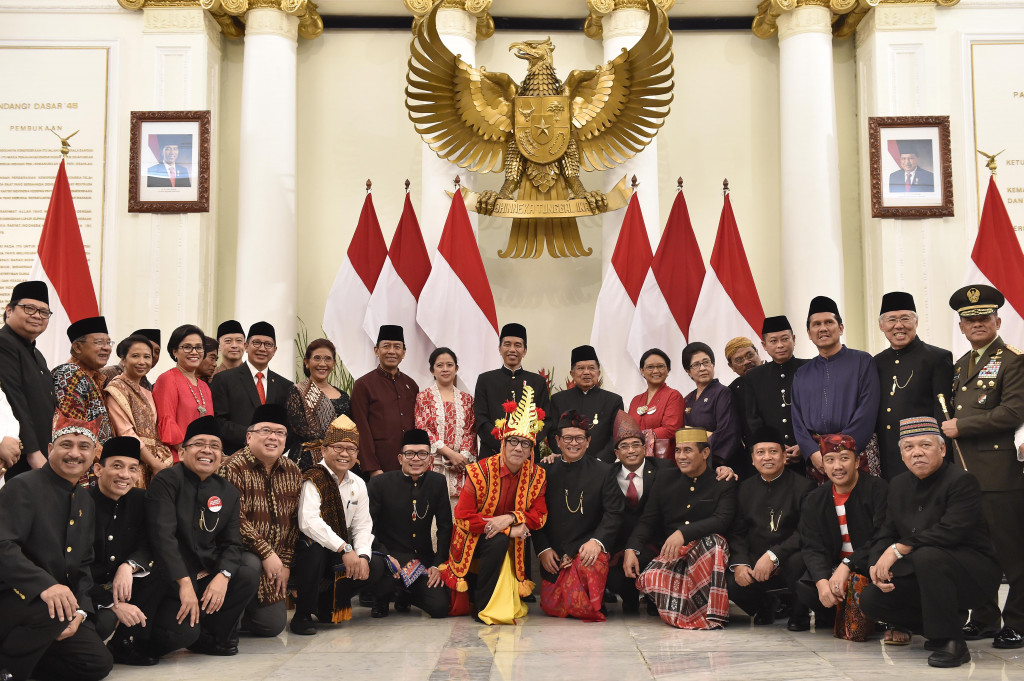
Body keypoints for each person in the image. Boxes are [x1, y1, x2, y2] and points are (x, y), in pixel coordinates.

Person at [860, 417, 1002, 667]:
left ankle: (952, 643)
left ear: (942, 449)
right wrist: (875, 564)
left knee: (928, 554)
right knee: (871, 600)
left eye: (925, 445)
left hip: (971, 573)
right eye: (909, 447)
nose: (917, 453)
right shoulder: (898, 484)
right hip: (924, 573)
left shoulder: (961, 480)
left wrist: (899, 548)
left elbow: (951, 532)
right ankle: (943, 624)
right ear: (902, 454)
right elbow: (886, 531)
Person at [0, 415, 114, 681]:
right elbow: (3, 545)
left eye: (83, 446)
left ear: (93, 454)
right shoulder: (22, 487)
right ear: (51, 450)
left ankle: (32, 655)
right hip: (14, 597)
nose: (74, 453)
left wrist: (82, 610)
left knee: (96, 664)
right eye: (66, 445)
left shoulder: (86, 499)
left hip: (55, 605)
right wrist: (44, 586)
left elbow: (84, 563)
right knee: (51, 611)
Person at [943, 284, 1024, 649]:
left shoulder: (1013, 359)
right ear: (961, 326)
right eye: (969, 319)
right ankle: (987, 617)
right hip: (965, 474)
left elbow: (1013, 411)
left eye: (983, 318)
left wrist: (964, 426)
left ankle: (1018, 623)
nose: (977, 324)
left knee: (1012, 555)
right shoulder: (962, 364)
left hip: (999, 474)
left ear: (997, 320)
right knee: (978, 550)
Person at [145, 415, 259, 657]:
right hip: (170, 579)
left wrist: (223, 576)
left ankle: (212, 637)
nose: (207, 450)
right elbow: (162, 537)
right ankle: (185, 633)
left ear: (221, 455)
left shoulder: (227, 491)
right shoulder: (167, 480)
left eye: (215, 446)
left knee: (246, 574)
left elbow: (232, 543)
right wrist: (184, 582)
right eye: (198, 444)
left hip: (204, 575)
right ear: (183, 451)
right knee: (181, 635)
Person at [442, 384, 547, 625]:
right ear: (503, 443)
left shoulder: (538, 475)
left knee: (501, 539)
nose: (519, 448)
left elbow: (540, 516)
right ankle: (483, 605)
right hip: (473, 539)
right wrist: (509, 529)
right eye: (513, 442)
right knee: (500, 538)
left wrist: (510, 518)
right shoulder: (479, 471)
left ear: (532, 449)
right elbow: (463, 517)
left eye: (525, 444)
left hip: (508, 539)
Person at [624, 427, 738, 630]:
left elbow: (721, 520)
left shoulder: (721, 482)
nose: (681, 456)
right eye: (678, 451)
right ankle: (684, 611)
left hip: (707, 555)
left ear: (705, 453)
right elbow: (648, 520)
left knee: (714, 543)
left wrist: (683, 533)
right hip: (673, 553)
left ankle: (706, 614)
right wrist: (631, 548)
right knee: (649, 577)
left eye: (688, 451)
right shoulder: (665, 478)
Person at [291, 415, 390, 635]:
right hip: (314, 550)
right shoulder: (313, 478)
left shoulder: (358, 483)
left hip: (340, 550)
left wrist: (362, 556)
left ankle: (327, 605)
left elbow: (363, 526)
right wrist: (344, 548)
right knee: (312, 549)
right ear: (324, 450)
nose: (345, 454)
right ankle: (303, 613)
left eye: (351, 449)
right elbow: (308, 522)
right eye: (338, 447)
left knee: (374, 565)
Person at [795, 434, 888, 641]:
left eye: (844, 458)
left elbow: (881, 537)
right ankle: (846, 615)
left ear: (857, 462)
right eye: (830, 460)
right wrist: (821, 581)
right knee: (806, 586)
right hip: (835, 568)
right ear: (823, 466)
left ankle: (875, 616)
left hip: (868, 564)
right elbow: (812, 545)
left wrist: (849, 565)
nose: (837, 466)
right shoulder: (815, 498)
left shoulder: (878, 489)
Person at [220, 404, 302, 638]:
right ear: (249, 436)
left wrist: (285, 562)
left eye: (280, 433)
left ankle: (243, 614)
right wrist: (266, 553)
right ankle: (229, 612)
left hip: (274, 562)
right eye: (265, 431)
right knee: (250, 564)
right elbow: (234, 519)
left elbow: (294, 522)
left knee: (272, 627)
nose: (273, 437)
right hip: (239, 557)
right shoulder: (232, 468)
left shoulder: (293, 470)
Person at [535, 410, 624, 622]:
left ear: (588, 441)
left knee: (583, 602)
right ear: (557, 440)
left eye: (579, 438)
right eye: (567, 438)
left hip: (587, 548)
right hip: (554, 553)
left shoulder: (604, 471)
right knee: (552, 607)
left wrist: (597, 541)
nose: (573, 443)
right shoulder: (544, 471)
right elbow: (533, 514)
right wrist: (543, 549)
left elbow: (614, 512)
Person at [726, 426, 813, 629]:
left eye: (773, 452)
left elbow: (805, 531)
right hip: (756, 561)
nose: (767, 457)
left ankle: (799, 614)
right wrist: (740, 563)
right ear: (753, 459)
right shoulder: (744, 489)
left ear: (784, 457)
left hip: (788, 558)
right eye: (760, 452)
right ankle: (764, 605)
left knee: (801, 560)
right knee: (731, 582)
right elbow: (737, 533)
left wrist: (774, 556)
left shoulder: (804, 487)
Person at [87, 437, 160, 667]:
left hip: (126, 582)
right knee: (105, 621)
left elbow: (150, 543)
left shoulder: (141, 499)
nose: (125, 475)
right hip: (90, 591)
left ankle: (125, 642)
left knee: (162, 568)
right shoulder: (81, 502)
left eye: (132, 469)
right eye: (117, 466)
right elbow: (72, 566)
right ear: (98, 469)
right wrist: (111, 602)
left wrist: (129, 565)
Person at [367, 429, 452, 619]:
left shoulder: (437, 482)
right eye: (410, 454)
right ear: (400, 458)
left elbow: (445, 527)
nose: (416, 459)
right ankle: (383, 596)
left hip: (421, 561)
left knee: (440, 607)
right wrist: (385, 556)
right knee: (379, 574)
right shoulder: (379, 484)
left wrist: (438, 564)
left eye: (422, 454)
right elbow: (368, 528)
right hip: (389, 561)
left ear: (429, 459)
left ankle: (406, 592)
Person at [792, 296, 880, 479]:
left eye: (828, 322)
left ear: (840, 328)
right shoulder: (802, 373)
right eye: (816, 324)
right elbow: (797, 420)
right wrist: (812, 453)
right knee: (823, 506)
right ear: (809, 333)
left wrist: (838, 452)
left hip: (856, 451)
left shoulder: (862, 361)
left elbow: (867, 410)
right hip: (817, 458)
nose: (822, 328)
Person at [873, 292, 953, 480]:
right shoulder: (877, 362)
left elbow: (943, 412)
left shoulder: (937, 358)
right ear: (881, 325)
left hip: (923, 458)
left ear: (916, 322)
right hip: (887, 456)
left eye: (905, 319)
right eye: (891, 319)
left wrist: (942, 456)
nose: (899, 325)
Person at [604, 412, 672, 614]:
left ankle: (654, 597)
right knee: (614, 577)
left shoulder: (665, 470)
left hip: (655, 544)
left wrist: (724, 470)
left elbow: (697, 472)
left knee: (647, 561)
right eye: (624, 446)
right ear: (616, 453)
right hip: (619, 546)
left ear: (645, 448)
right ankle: (629, 598)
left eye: (636, 445)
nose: (631, 450)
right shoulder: (606, 474)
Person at [0, 281, 56, 480]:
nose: (37, 315)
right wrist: (32, 452)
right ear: (9, 310)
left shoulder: (36, 354)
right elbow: (13, 397)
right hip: (16, 454)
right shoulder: (4, 343)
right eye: (29, 308)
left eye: (43, 312)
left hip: (40, 452)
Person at [211, 321, 293, 457]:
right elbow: (219, 422)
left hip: (272, 460)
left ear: (274, 350)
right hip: (234, 457)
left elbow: (290, 428)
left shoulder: (285, 385)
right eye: (256, 343)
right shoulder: (224, 379)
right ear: (246, 346)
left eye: (268, 344)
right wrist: (255, 438)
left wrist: (272, 450)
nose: (262, 348)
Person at [741, 316, 809, 473]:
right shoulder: (754, 376)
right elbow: (753, 419)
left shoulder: (809, 368)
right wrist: (774, 448)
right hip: (772, 459)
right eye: (773, 341)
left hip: (808, 455)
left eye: (785, 339)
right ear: (764, 345)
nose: (780, 345)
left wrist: (805, 445)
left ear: (794, 339)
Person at [104, 334, 173, 487]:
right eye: (135, 356)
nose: (142, 362)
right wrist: (154, 464)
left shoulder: (148, 392)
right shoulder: (117, 388)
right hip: (133, 462)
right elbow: (126, 433)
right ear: (123, 359)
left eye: (147, 357)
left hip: (157, 462)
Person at [474, 323, 551, 459]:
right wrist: (504, 446)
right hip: (492, 453)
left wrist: (525, 444)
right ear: (499, 348)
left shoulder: (537, 382)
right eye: (507, 344)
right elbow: (481, 419)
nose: (512, 349)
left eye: (518, 345)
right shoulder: (485, 379)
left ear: (525, 351)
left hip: (527, 454)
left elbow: (546, 420)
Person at [349, 325, 419, 476]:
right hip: (379, 466)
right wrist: (372, 467)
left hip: (410, 466)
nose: (392, 351)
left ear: (404, 353)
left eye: (397, 347)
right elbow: (360, 429)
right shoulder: (363, 385)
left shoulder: (411, 385)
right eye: (386, 346)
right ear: (376, 351)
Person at [414, 347, 477, 509]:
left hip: (460, 468)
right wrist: (450, 454)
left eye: (449, 365)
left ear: (456, 369)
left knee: (458, 516)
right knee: (432, 513)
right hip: (432, 465)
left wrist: (460, 458)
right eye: (440, 365)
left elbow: (470, 432)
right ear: (432, 370)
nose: (445, 369)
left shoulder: (467, 399)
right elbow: (423, 429)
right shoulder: (424, 397)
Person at [548, 345, 624, 463]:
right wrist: (565, 456)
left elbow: (616, 435)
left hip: (601, 466)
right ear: (572, 373)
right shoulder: (558, 399)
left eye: (591, 368)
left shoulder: (613, 401)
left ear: (598, 373)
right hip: (566, 464)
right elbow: (552, 433)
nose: (586, 372)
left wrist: (600, 460)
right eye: (580, 368)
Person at [286, 338, 352, 471]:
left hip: (341, 459)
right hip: (307, 460)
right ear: (307, 362)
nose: (322, 363)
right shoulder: (297, 391)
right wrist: (335, 442)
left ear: (333, 363)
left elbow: (350, 427)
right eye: (317, 358)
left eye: (328, 359)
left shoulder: (343, 396)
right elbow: (299, 427)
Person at [152, 324, 213, 461]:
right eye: (187, 347)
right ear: (175, 351)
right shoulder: (167, 379)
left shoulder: (205, 387)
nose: (194, 352)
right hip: (179, 459)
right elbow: (167, 422)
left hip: (203, 460)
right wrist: (189, 455)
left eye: (198, 347)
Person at [52, 316, 113, 448]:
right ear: (78, 347)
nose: (106, 348)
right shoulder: (70, 374)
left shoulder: (97, 377)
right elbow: (74, 430)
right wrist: (103, 459)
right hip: (80, 460)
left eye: (109, 343)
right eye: (99, 342)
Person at [681, 342, 740, 467]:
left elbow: (726, 431)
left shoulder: (723, 392)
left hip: (716, 463)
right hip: (692, 463)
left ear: (713, 364)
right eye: (696, 365)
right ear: (688, 371)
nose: (703, 368)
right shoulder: (687, 399)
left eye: (706, 362)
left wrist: (698, 451)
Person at [627, 348, 684, 458]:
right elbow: (629, 430)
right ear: (642, 371)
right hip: (636, 459)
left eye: (660, 366)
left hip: (663, 459)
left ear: (668, 370)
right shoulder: (635, 400)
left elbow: (671, 430)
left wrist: (638, 438)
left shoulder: (673, 396)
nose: (656, 371)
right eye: (650, 367)